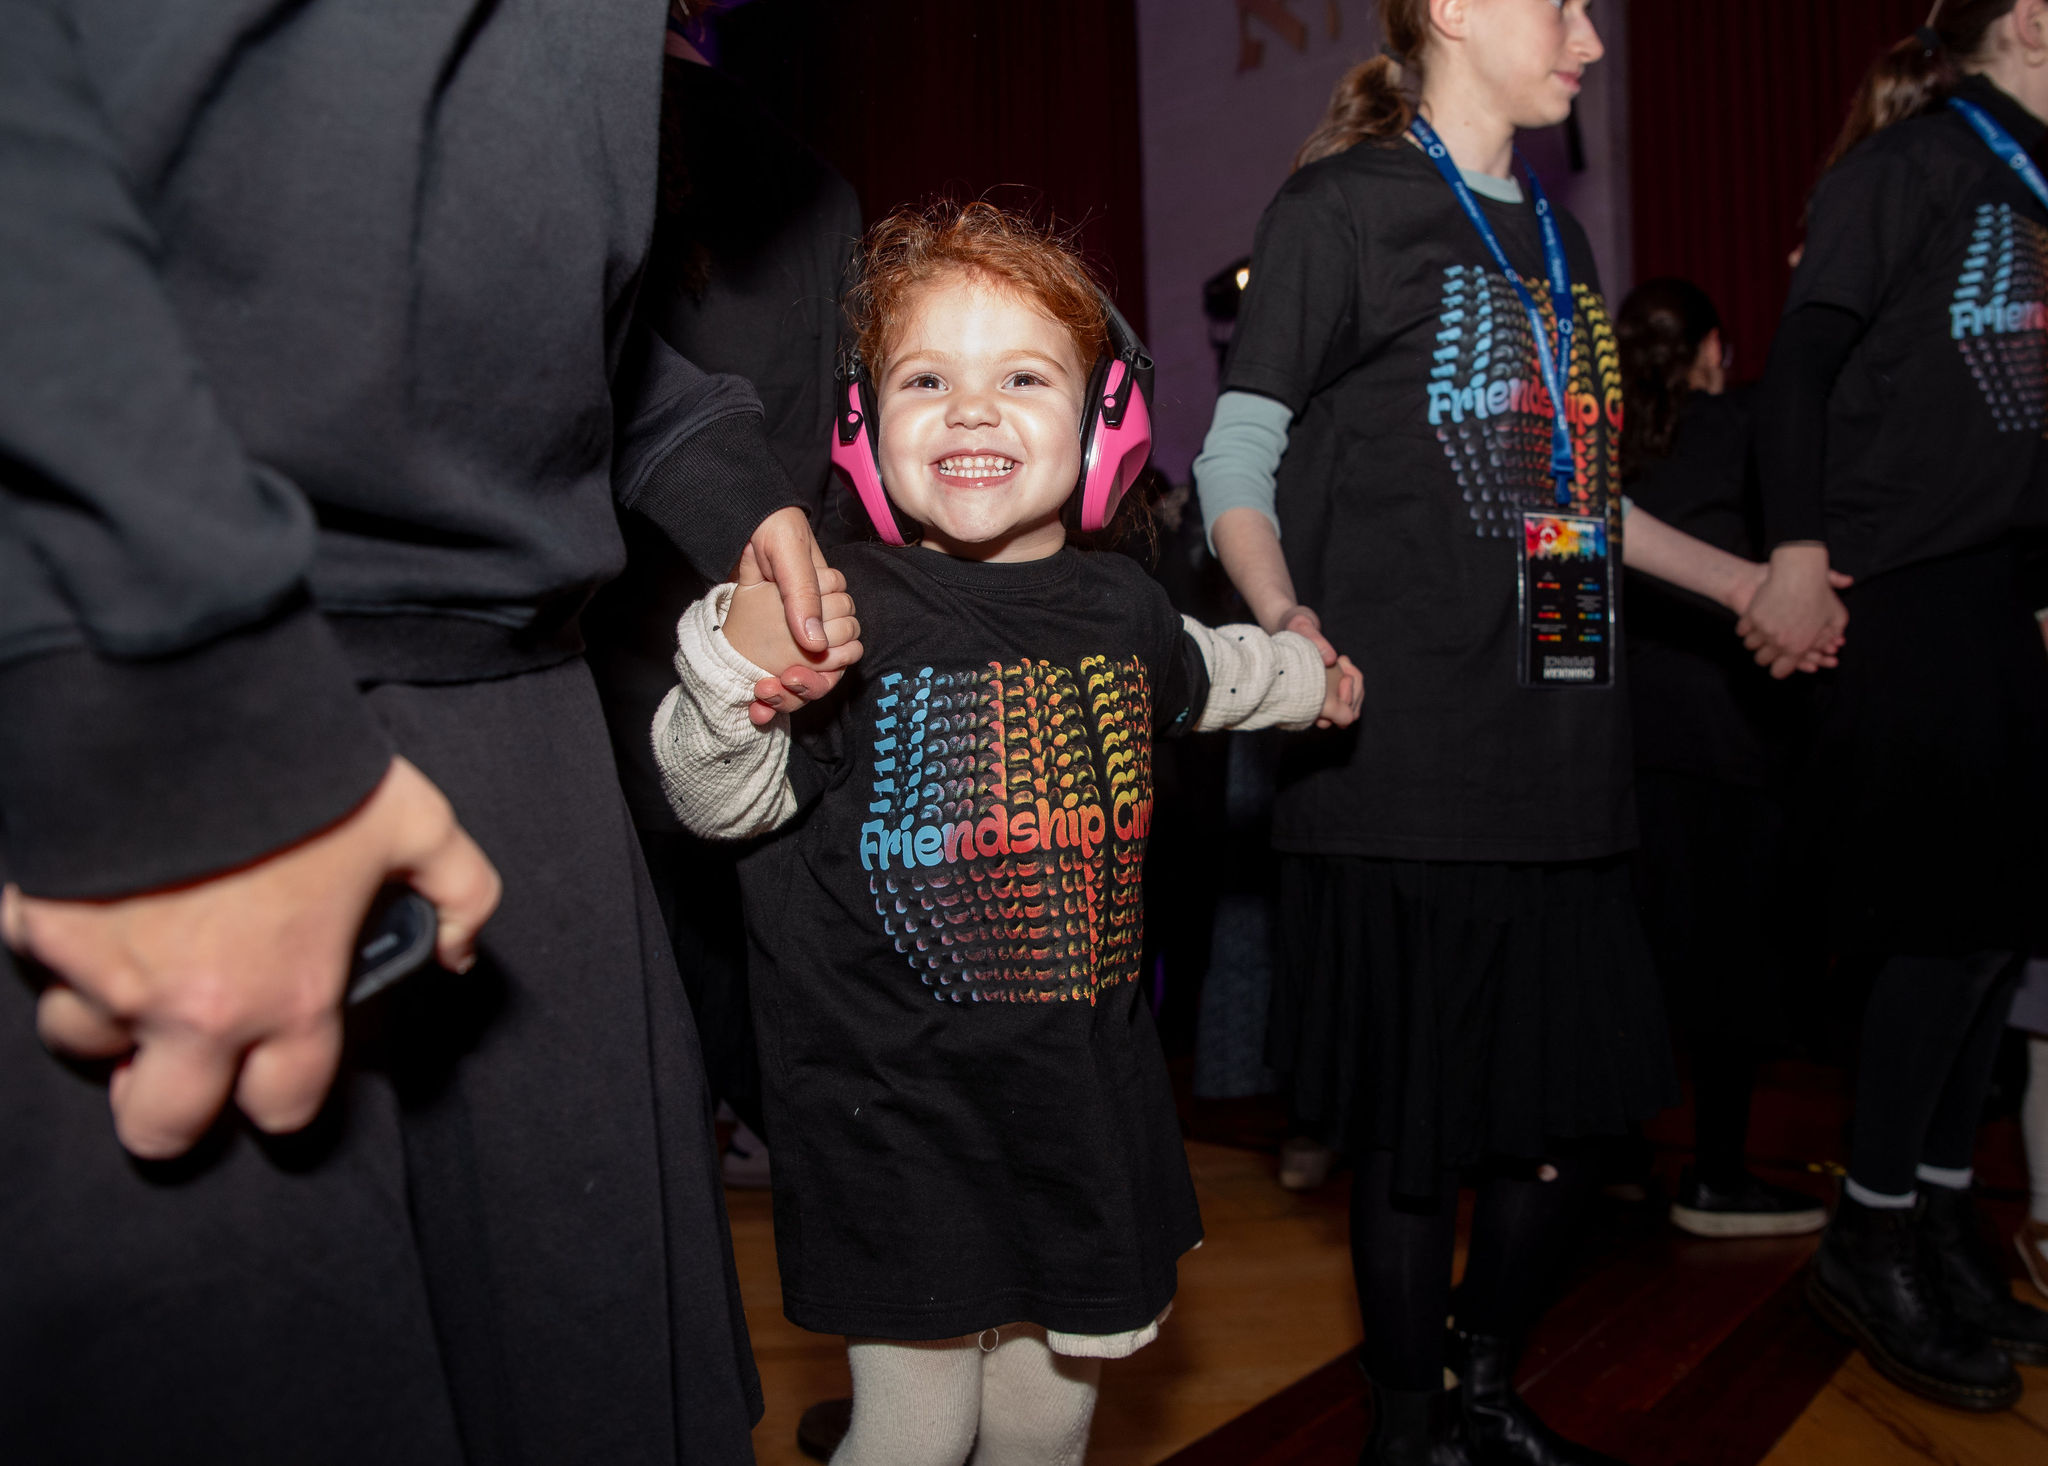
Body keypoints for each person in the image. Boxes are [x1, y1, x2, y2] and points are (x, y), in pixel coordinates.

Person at [0, 3, 856, 1461]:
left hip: (520, 746)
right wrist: (182, 698)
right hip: (198, 713)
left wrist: (721, 474)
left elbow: (484, 244)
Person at [1191, 2, 1840, 1460]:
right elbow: (1238, 446)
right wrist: (1282, 616)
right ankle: (1409, 1430)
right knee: (1415, 1137)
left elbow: (1576, 498)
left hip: (1562, 758)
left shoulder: (1561, 240)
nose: (1589, 41)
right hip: (1400, 756)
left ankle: (1483, 1395)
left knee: (1569, 1118)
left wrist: (1742, 582)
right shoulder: (1340, 209)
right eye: (1561, 4)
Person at [652, 200, 1364, 1466]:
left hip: (1076, 1102)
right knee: (916, 1433)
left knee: (1045, 1417)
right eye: (925, 379)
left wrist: (1312, 675)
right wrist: (729, 665)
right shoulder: (836, 611)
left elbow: (1208, 672)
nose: (970, 410)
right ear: (862, 428)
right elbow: (717, 798)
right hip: (895, 1123)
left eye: (1022, 378)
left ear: (1106, 425)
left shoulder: (1122, 606)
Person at [1742, 0, 2048, 1415]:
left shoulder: (2024, 185)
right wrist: (1796, 552)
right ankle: (1867, 1235)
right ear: (2026, 20)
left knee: (1991, 933)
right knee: (1935, 927)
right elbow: (1802, 359)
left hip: (1994, 589)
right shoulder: (1913, 163)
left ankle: (1933, 1215)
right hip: (1898, 583)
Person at [586, 0, 864, 1182]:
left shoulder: (594, 140)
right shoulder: (815, 183)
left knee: (645, 955)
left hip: (622, 618)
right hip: (779, 605)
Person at [1614, 278, 1827, 1239]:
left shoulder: (1604, 445)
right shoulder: (1745, 424)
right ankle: (1720, 1174)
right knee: (1731, 964)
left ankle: (1619, 1161)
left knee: (1634, 955)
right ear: (1709, 349)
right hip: (1727, 732)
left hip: (1621, 735)